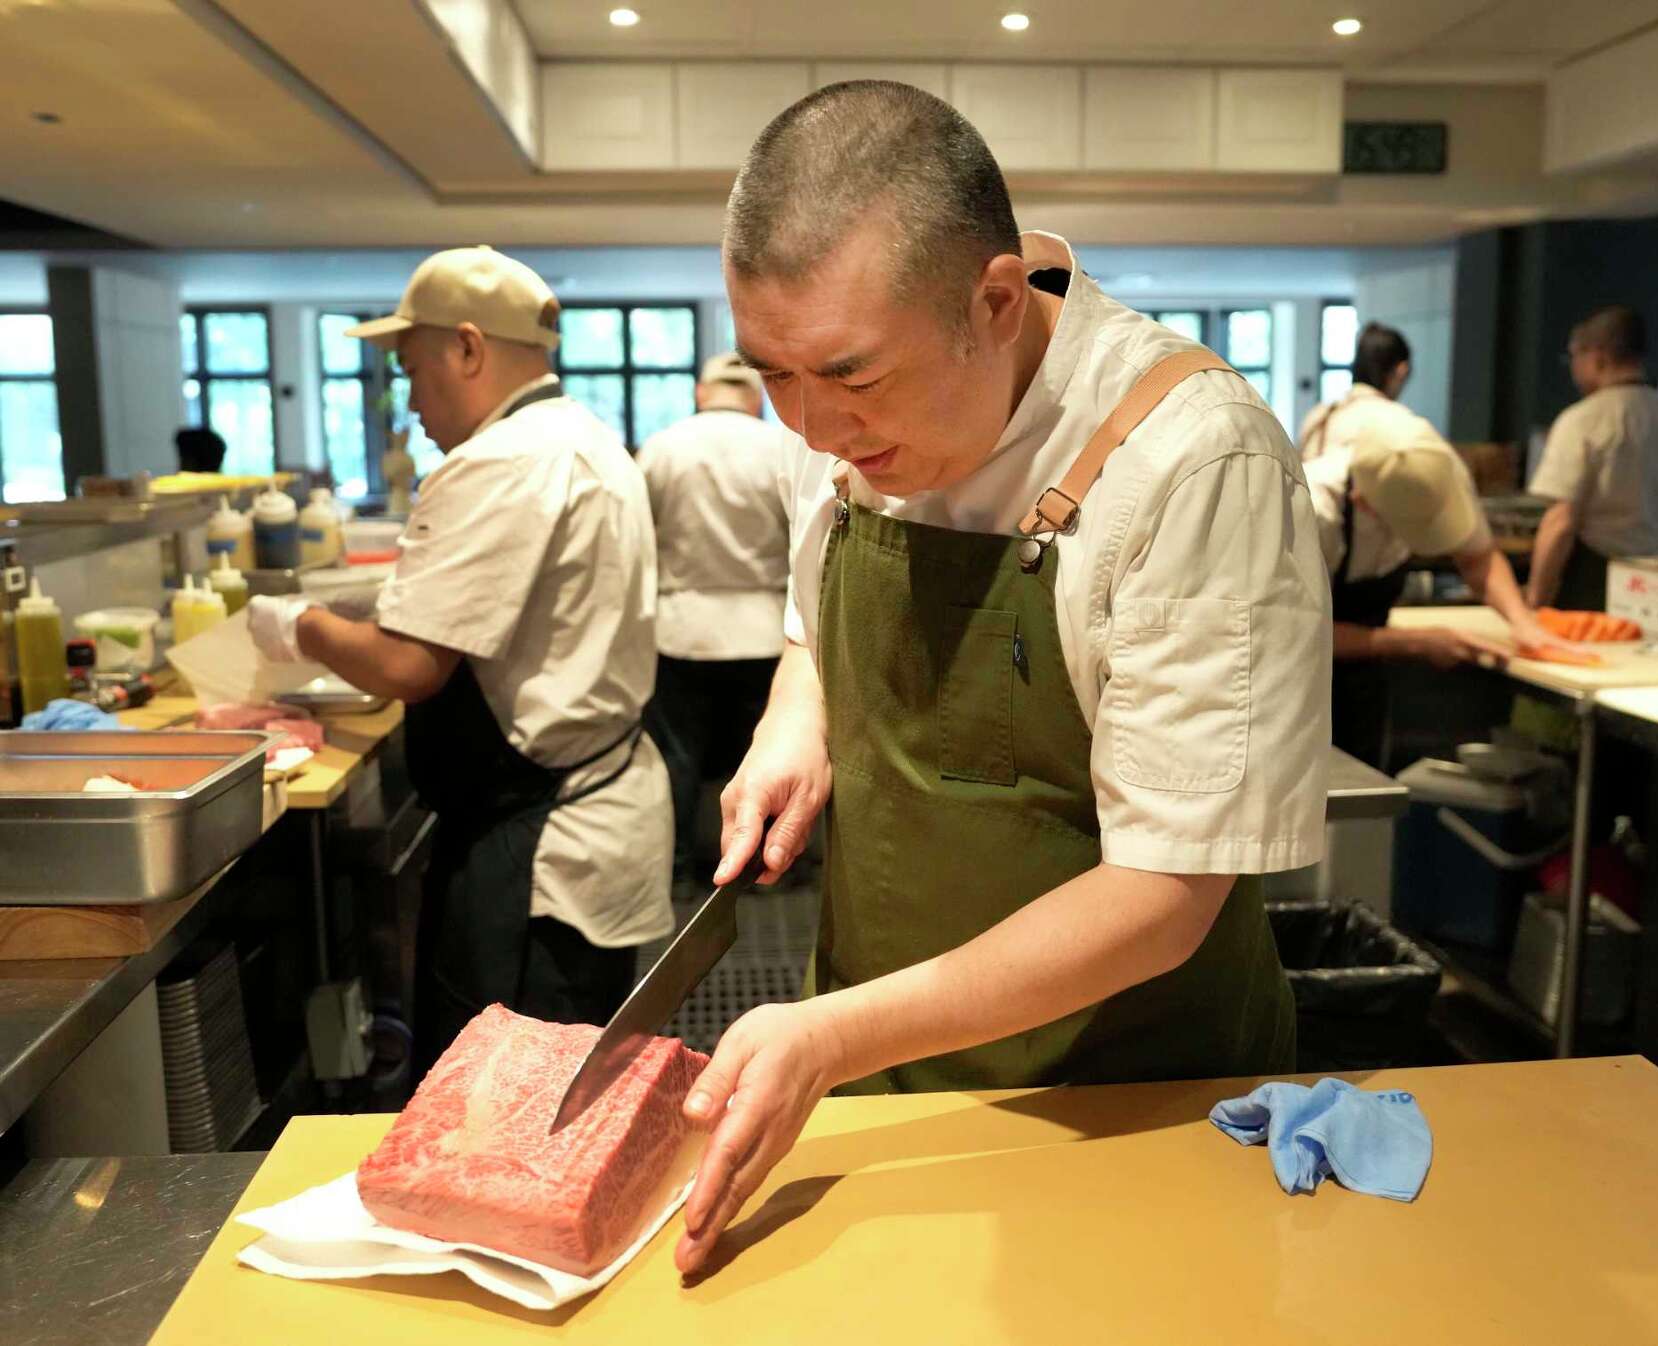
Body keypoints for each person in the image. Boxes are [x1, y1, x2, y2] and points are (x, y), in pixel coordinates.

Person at [671, 81, 1331, 1274]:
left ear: (992, 300)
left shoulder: (1191, 461)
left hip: (1121, 1092)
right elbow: (812, 613)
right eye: (772, 374)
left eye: (849, 379)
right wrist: (793, 714)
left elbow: (1162, 895)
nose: (813, 428)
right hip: (872, 1059)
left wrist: (832, 1033)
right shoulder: (868, 417)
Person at [246, 246, 672, 1076]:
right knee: (570, 1088)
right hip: (587, 805)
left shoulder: (497, 461)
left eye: (410, 370)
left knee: (508, 1104)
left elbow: (409, 666)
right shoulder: (579, 436)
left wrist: (298, 625)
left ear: (468, 349)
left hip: (541, 847)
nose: (408, 402)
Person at [1300, 323, 1552, 767]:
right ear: (1362, 501)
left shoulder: (1428, 458)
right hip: (1301, 677)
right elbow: (1297, 632)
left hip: (1364, 669)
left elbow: (1477, 557)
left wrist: (1522, 622)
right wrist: (1413, 642)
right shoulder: (1314, 510)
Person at [638, 352, 792, 892]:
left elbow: (639, 541)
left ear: (702, 393)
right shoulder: (781, 448)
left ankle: (678, 871)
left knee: (677, 762)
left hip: (681, 629)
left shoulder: (662, 447)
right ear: (756, 398)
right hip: (764, 628)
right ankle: (769, 866)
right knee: (767, 756)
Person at [1526, 306, 1658, 611]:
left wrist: (1535, 599)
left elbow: (1561, 521)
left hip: (1593, 581)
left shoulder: (1583, 420)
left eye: (1574, 356)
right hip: (1657, 581)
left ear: (1597, 356)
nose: (1573, 367)